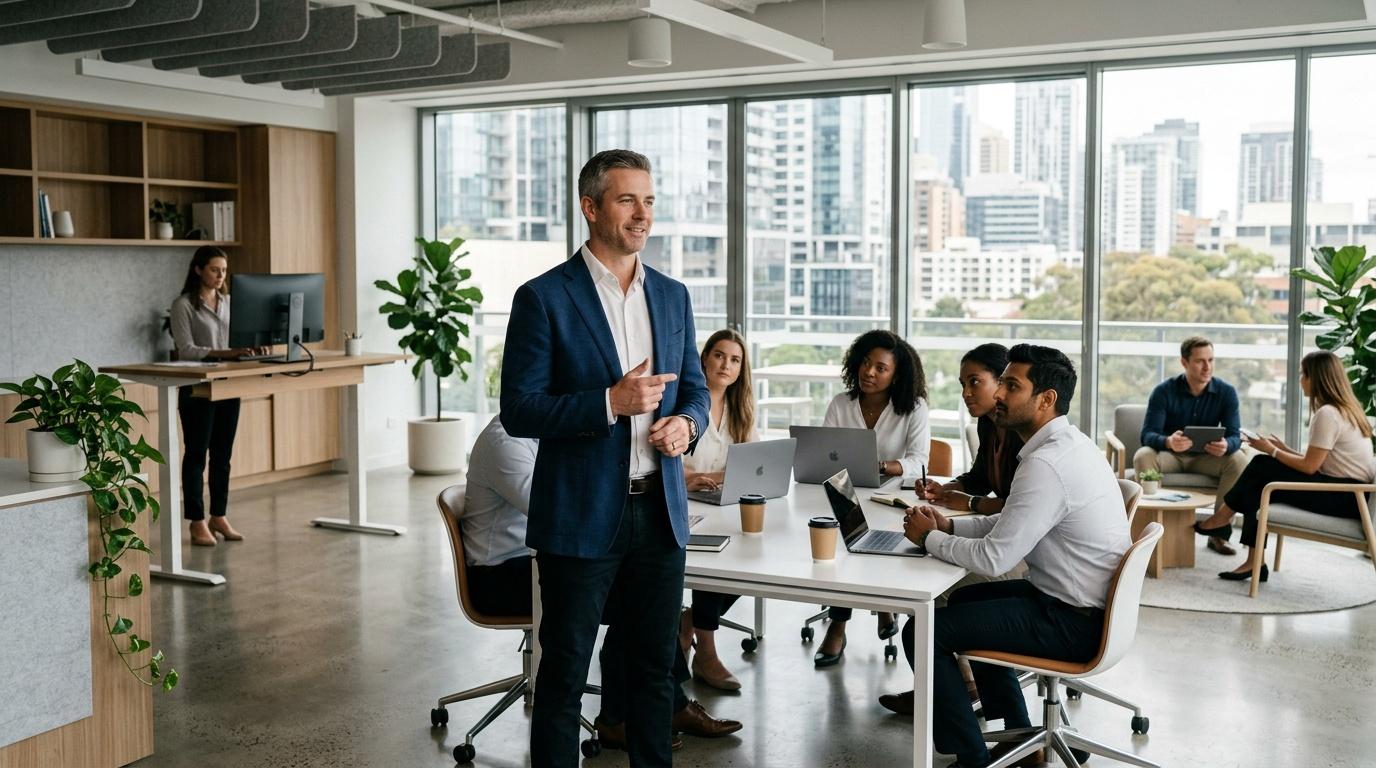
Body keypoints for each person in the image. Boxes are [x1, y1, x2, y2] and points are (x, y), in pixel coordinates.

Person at [500, 148, 710, 768]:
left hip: (661, 514)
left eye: (648, 200)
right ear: (591, 207)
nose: (642, 213)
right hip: (581, 515)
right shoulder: (543, 297)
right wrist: (607, 403)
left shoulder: (672, 295)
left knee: (653, 673)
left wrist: (687, 425)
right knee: (563, 674)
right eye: (627, 200)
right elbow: (520, 409)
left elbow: (694, 387)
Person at [880, 344, 1131, 768]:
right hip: (1075, 604)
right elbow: (1009, 525)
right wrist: (948, 526)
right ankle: (1019, 734)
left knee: (922, 631)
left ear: (1046, 399)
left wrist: (928, 540)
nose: (999, 394)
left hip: (1072, 620)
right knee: (960, 601)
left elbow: (995, 558)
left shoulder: (1046, 464)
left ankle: (971, 756)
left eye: (1012, 386)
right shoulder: (1067, 445)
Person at [462, 415, 741, 750]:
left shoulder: (548, 433)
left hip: (542, 557)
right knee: (632, 594)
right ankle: (635, 714)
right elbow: (551, 510)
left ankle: (648, 710)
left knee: (644, 591)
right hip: (503, 575)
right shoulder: (506, 442)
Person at [1194, 350, 1376, 582]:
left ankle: (1223, 518)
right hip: (1348, 494)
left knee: (1261, 466)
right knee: (1259, 480)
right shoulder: (1347, 410)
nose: (1300, 380)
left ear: (1316, 378)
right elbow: (1325, 462)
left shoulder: (1328, 414)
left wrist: (1271, 450)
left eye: (1303, 374)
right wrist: (1283, 450)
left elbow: (1310, 468)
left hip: (1345, 496)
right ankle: (1252, 560)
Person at [813, 329, 930, 668]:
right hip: (845, 495)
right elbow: (824, 453)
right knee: (843, 550)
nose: (869, 373)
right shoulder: (841, 403)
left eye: (881, 368)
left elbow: (920, 461)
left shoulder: (913, 408)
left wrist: (881, 465)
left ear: (897, 375)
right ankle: (843, 622)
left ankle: (870, 612)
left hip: (889, 500)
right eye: (866, 363)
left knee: (869, 543)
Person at [168, 246, 263, 548]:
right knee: (197, 454)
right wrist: (229, 353)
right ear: (198, 270)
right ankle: (196, 521)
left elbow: (240, 339)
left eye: (224, 270)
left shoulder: (231, 302)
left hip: (228, 384)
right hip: (197, 387)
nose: (221, 275)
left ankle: (218, 516)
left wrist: (252, 347)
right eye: (214, 269)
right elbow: (186, 350)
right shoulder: (183, 305)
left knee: (222, 456)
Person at [679, 329, 756, 691]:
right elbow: (663, 460)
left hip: (723, 505)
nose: (726, 364)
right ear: (704, 358)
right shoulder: (683, 403)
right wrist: (695, 477)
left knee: (752, 560)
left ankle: (689, 623)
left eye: (735, 359)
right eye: (719, 355)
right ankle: (706, 653)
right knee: (717, 564)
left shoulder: (742, 411)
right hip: (682, 505)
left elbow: (752, 464)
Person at [1135, 336, 1250, 556]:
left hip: (1207, 459)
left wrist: (1226, 445)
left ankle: (1218, 533)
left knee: (1239, 460)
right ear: (1184, 363)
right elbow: (1147, 435)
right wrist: (1168, 441)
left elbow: (1236, 435)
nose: (1207, 367)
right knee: (1143, 456)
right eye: (1200, 361)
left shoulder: (1226, 392)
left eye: (1211, 359)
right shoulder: (1164, 391)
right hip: (1171, 457)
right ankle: (1150, 531)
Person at [920, 343, 1024, 516]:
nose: (965, 393)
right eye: (963, 384)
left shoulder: (1023, 431)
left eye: (974, 382)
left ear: (1002, 381)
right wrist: (943, 489)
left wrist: (971, 502)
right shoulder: (987, 423)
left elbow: (1023, 506)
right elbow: (980, 478)